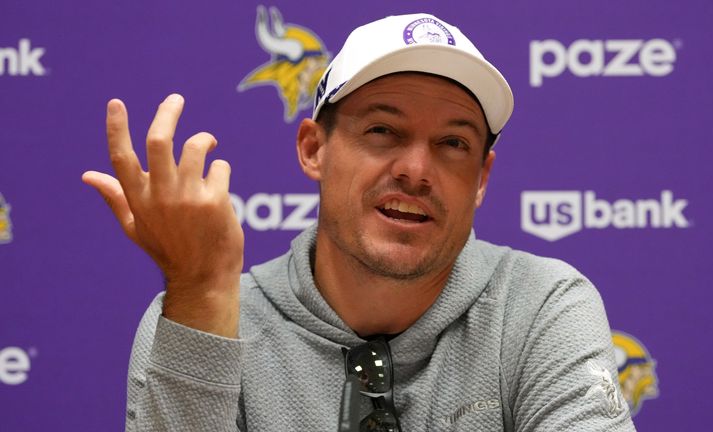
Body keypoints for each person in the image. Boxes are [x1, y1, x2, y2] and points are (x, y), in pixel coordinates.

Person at [83, 13, 636, 432]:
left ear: (482, 178)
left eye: (453, 143)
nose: (417, 170)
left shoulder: (542, 304)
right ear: (313, 148)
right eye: (382, 131)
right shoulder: (199, 315)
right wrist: (201, 291)